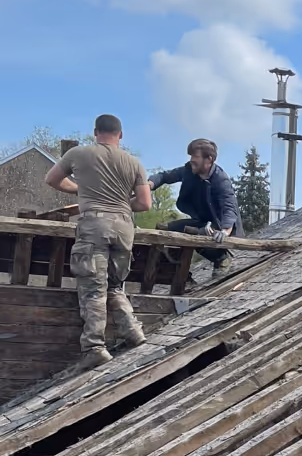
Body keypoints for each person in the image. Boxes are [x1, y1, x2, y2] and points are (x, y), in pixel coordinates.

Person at [45, 115, 152, 368]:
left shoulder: (78, 154)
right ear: (121, 135)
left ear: (95, 132)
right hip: (124, 228)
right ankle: (133, 332)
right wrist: (123, 204)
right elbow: (145, 203)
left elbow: (51, 179)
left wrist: (78, 189)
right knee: (114, 285)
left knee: (94, 289)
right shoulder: (134, 163)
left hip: (94, 227)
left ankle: (94, 347)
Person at [148, 138, 241, 272]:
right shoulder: (189, 170)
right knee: (168, 232)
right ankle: (181, 274)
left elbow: (229, 207)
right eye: (191, 156)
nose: (192, 160)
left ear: (209, 159)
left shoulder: (221, 179)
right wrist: (149, 184)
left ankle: (221, 259)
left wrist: (225, 231)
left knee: (199, 233)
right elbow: (165, 176)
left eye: (195, 156)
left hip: (219, 226)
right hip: (201, 221)